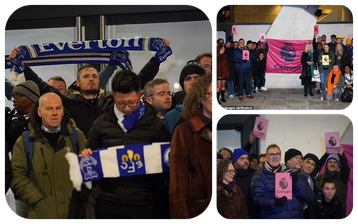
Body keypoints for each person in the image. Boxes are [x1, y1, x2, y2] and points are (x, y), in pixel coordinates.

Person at [9, 46, 161, 139]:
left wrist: (158, 59)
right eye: (86, 76)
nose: (91, 79)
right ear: (77, 83)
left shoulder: (110, 101)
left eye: (94, 76)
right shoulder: (68, 103)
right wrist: (22, 65)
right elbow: (42, 86)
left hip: (107, 159)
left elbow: (138, 81)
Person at [80, 70, 170, 220]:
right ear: (113, 96)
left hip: (145, 204)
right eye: (121, 103)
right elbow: (89, 157)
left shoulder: (155, 125)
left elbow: (167, 167)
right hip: (108, 203)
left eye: (132, 103)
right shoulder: (101, 124)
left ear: (140, 95)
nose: (127, 108)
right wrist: (86, 157)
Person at [11, 92, 87, 220]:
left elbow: (88, 169)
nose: (55, 113)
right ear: (40, 112)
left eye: (58, 108)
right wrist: (38, 200)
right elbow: (17, 176)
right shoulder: (25, 142)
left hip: (74, 212)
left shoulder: (76, 137)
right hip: (41, 213)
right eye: (49, 109)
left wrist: (79, 199)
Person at [169, 73, 213, 220]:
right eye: (210, 94)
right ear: (200, 98)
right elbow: (177, 186)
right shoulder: (185, 131)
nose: (215, 98)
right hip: (195, 211)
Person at [251, 144, 307, 220]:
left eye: (277, 154)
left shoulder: (289, 172)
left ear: (280, 156)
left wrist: (296, 181)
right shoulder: (259, 175)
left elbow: (302, 193)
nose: (275, 157)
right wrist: (274, 202)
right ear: (266, 157)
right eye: (271, 154)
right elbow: (256, 198)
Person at [164, 60, 206, 137]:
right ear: (183, 84)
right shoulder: (171, 116)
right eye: (187, 79)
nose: (192, 82)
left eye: (196, 78)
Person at [315, 146, 350, 219]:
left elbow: (346, 169)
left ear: (339, 165)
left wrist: (341, 156)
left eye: (335, 162)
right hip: (322, 213)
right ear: (327, 165)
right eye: (330, 162)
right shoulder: (320, 177)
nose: (332, 164)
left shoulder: (343, 176)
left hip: (338, 213)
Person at [284, 149, 315, 220]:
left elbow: (311, 198)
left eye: (301, 158)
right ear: (288, 161)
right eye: (297, 157)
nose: (300, 160)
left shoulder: (302, 177)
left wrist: (297, 183)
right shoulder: (279, 175)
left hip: (298, 216)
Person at [232, 148, 260, 220]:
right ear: (235, 163)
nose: (245, 161)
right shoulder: (231, 179)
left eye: (247, 158)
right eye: (241, 158)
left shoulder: (255, 177)